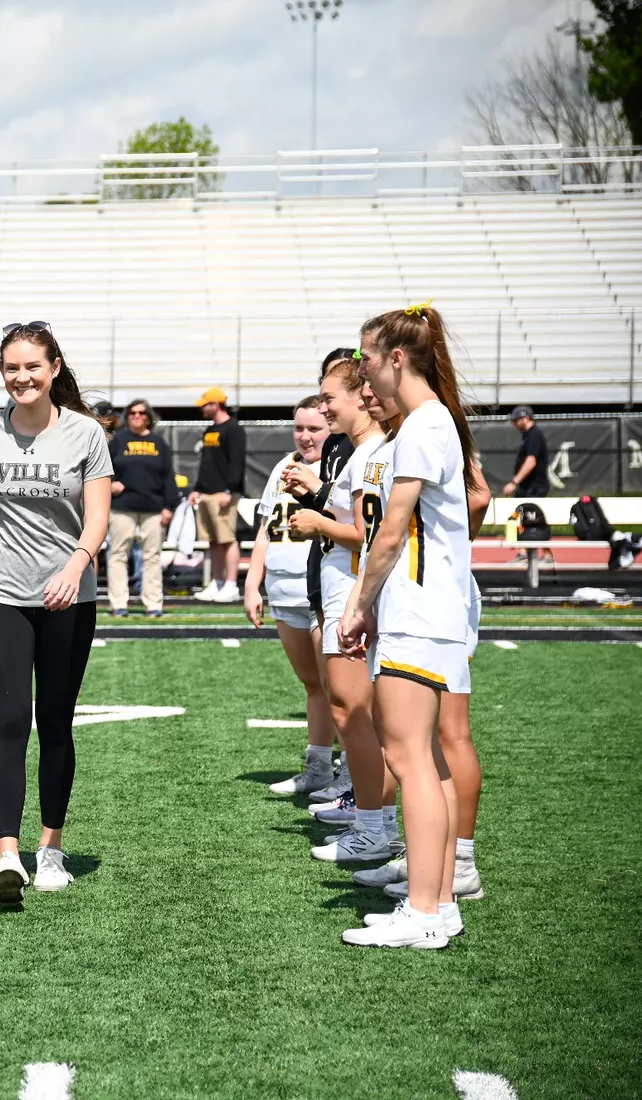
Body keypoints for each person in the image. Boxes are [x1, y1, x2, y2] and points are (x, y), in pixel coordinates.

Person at [340, 302, 482, 950]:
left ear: (397, 358)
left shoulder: (424, 425)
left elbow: (392, 533)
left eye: (369, 359)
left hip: (420, 611)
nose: (365, 375)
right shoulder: (434, 423)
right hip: (435, 609)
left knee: (410, 757)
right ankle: (439, 900)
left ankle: (424, 909)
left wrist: (357, 605)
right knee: (426, 760)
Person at [0, 322, 113, 904]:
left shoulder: (84, 434)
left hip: (68, 599)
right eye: (10, 368)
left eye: (31, 367)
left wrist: (75, 566)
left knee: (55, 722)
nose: (20, 377)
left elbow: (96, 516)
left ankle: (49, 848)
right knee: (7, 723)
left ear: (53, 369)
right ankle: (8, 854)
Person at [281, 359, 391, 853]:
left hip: (352, 587)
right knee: (353, 713)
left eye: (329, 398)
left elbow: (371, 536)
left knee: (356, 715)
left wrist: (319, 522)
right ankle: (373, 821)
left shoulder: (372, 451)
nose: (324, 407)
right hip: (343, 585)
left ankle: (373, 828)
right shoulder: (361, 452)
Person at [243, 397, 336, 814]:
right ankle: (318, 766)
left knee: (338, 688)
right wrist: (252, 581)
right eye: (299, 428)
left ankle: (350, 773)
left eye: (314, 428)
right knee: (313, 685)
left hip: (320, 589)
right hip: (282, 590)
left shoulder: (336, 470)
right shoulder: (284, 466)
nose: (305, 436)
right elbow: (266, 526)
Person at [107, 398, 178, 618]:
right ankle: (119, 603)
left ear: (149, 417)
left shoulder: (159, 444)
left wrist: (169, 506)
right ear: (127, 417)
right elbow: (102, 470)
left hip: (153, 509)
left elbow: (168, 477)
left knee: (152, 557)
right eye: (133, 413)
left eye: (142, 413)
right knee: (118, 555)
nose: (137, 416)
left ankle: (154, 604)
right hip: (122, 508)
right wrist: (110, 484)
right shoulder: (118, 441)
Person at [188, 387, 246, 603]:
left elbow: (237, 462)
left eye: (205, 404)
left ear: (216, 404)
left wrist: (230, 490)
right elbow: (206, 463)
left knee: (227, 538)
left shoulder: (234, 429)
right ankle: (217, 581)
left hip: (224, 493)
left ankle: (231, 584)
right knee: (212, 540)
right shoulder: (209, 430)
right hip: (207, 493)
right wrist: (197, 488)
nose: (202, 408)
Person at [501, 404, 550, 498]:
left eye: (516, 420)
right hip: (527, 487)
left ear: (525, 418)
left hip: (533, 489)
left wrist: (514, 483)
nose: (514, 424)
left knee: (523, 512)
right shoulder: (528, 435)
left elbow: (531, 461)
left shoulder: (534, 434)